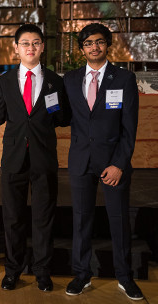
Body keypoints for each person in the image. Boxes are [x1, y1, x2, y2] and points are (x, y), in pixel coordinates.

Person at [0, 24, 71, 292]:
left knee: (43, 217)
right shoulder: (6, 81)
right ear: (16, 48)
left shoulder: (56, 80)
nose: (30, 48)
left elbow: (62, 118)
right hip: (14, 158)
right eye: (25, 43)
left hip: (43, 157)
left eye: (35, 43)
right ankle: (13, 271)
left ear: (42, 47)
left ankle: (43, 271)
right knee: (13, 217)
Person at [63, 23, 143, 301]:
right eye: (88, 43)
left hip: (113, 163)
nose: (94, 47)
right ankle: (81, 274)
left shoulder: (123, 79)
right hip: (81, 161)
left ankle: (125, 276)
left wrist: (119, 163)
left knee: (119, 220)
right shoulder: (71, 79)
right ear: (82, 48)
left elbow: (129, 128)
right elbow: (61, 115)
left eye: (98, 42)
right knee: (81, 220)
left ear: (107, 44)